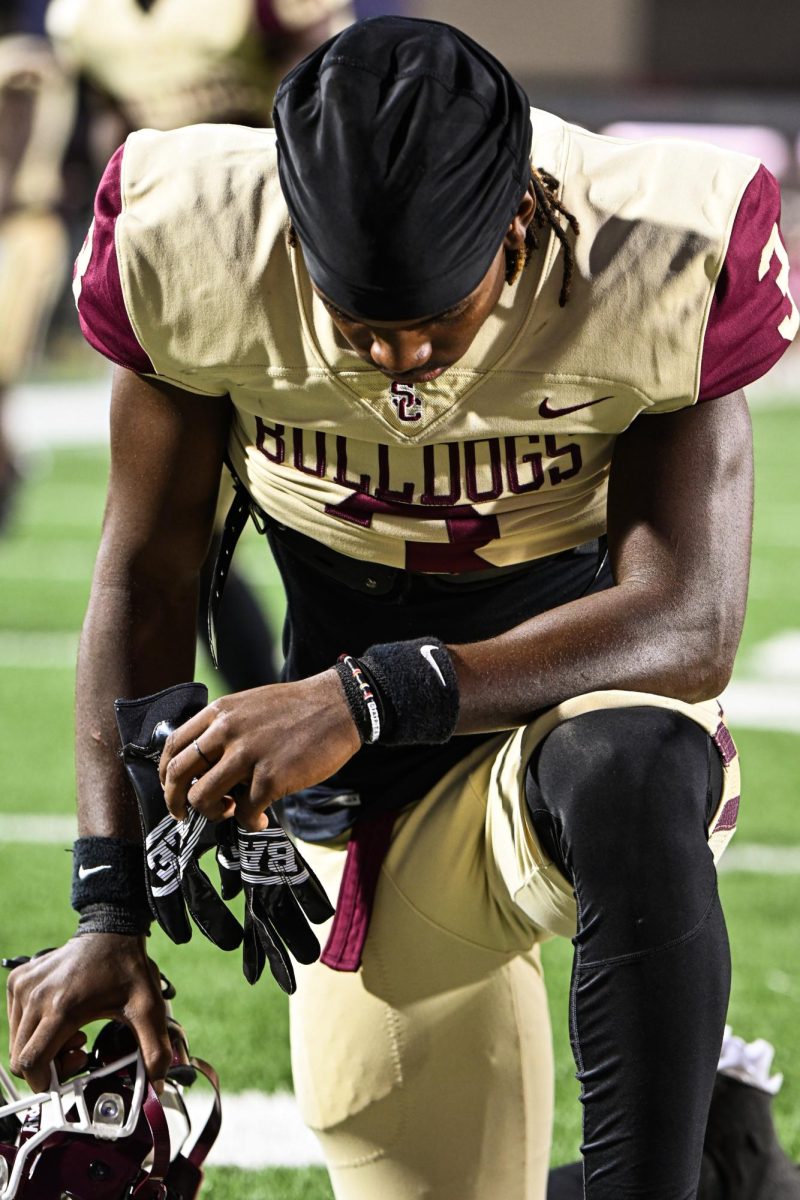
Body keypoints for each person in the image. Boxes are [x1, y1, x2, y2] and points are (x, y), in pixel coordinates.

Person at [6, 16, 798, 1199]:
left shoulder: (653, 245)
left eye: (435, 318)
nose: (400, 359)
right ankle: (728, 1165)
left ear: (521, 221)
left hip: (562, 713)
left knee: (632, 759)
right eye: (363, 323)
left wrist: (370, 694)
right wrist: (107, 907)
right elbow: (146, 571)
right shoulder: (197, 238)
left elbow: (683, 622)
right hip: (359, 802)